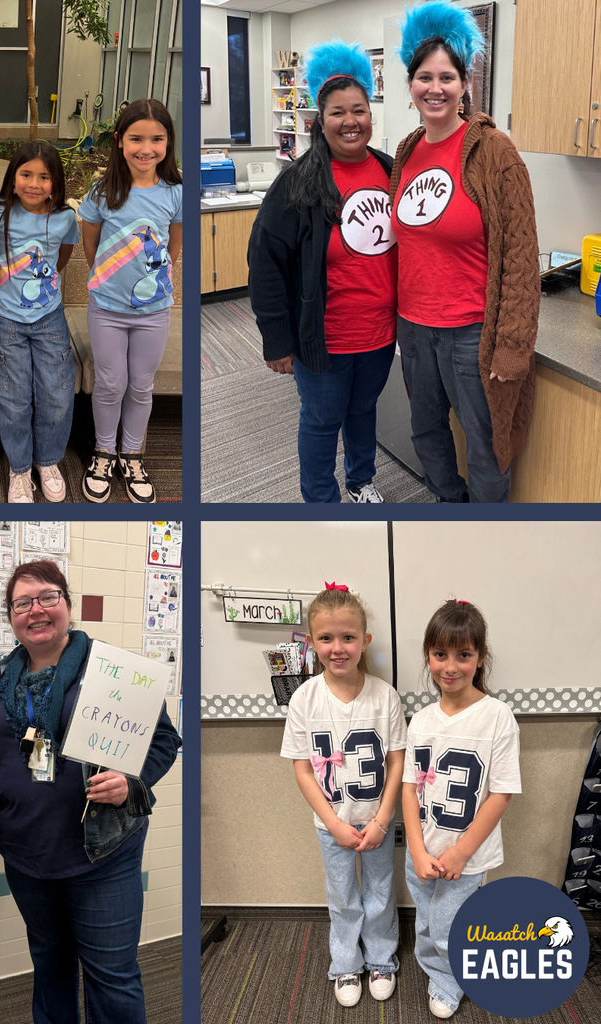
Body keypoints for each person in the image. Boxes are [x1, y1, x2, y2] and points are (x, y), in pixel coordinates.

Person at [0, 560, 181, 1024]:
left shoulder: (112, 670)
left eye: (48, 597)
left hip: (100, 852)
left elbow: (164, 740)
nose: (36, 610)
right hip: (26, 852)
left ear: (67, 604)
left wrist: (131, 781)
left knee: (111, 976)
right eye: (22, 603)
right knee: (49, 963)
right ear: (11, 617)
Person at [391, 1, 540, 503]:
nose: (435, 88)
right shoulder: (408, 150)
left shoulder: (495, 152)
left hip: (471, 333)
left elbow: (522, 259)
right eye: (424, 77)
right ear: (411, 84)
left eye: (446, 77)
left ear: (463, 84)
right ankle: (449, 509)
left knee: (486, 449)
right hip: (414, 329)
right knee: (426, 434)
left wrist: (512, 347)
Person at [248, 41, 397, 504]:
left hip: (379, 332)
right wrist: (277, 339)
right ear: (320, 121)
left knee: (364, 409)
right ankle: (319, 500)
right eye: (338, 112)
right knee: (321, 419)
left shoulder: (391, 172)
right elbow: (265, 264)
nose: (350, 121)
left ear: (371, 116)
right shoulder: (297, 182)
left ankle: (360, 481)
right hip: (323, 337)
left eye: (359, 110)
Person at [280, 584, 406, 1006]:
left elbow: (397, 763)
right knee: (342, 895)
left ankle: (382, 959)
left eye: (348, 637)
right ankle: (347, 963)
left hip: (377, 821)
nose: (338, 648)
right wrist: (334, 823)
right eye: (327, 638)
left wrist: (382, 820)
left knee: (380, 891)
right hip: (330, 824)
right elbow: (302, 769)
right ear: (312, 642)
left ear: (365, 641)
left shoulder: (384, 696)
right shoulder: (304, 699)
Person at [403, 600, 521, 1018]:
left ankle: (452, 979)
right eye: (440, 654)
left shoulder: (497, 718)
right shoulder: (421, 720)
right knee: (426, 920)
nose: (450, 667)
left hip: (466, 857)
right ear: (428, 656)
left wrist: (461, 853)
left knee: (450, 926)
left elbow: (501, 795)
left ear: (480, 657)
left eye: (463, 655)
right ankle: (434, 969)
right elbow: (409, 788)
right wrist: (416, 849)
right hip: (423, 849)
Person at [79, 99, 183, 504]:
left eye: (157, 139)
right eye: (136, 138)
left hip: (153, 312)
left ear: (168, 143)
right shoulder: (102, 192)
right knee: (109, 383)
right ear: (120, 141)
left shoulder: (175, 192)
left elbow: (173, 247)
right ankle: (104, 452)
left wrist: (153, 281)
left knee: (141, 385)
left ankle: (132, 454)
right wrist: (109, 279)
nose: (146, 148)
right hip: (107, 308)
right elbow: (91, 245)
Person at [0, 141, 79, 503]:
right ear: (13, 178)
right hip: (7, 319)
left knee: (57, 393)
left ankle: (48, 461)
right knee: (13, 397)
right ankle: (20, 468)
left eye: (44, 177)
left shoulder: (64, 218)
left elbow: (62, 258)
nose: (34, 184)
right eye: (26, 174)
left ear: (56, 184)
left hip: (49, 318)